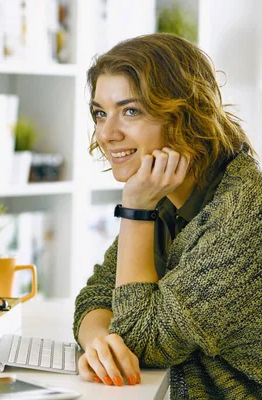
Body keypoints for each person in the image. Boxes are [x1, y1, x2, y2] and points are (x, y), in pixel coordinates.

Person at [73, 33, 262, 399]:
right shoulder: (166, 198)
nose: (107, 133)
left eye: (130, 111)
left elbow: (145, 342)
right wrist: (99, 345)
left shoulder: (243, 214)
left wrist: (135, 210)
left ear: (183, 115)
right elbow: (96, 295)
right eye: (100, 113)